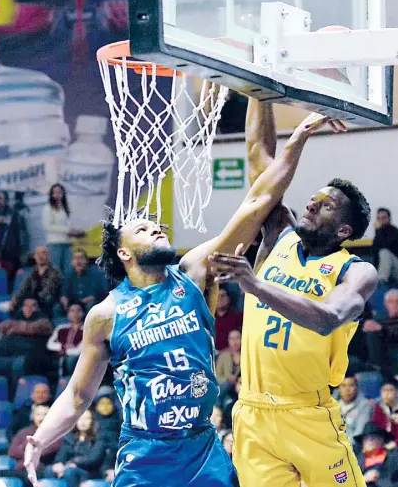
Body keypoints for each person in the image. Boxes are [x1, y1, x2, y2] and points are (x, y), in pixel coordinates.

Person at [23, 106, 340, 487]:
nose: (156, 229)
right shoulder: (107, 314)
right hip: (145, 455)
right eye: (142, 229)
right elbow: (77, 395)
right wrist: (40, 439)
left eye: (156, 225)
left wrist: (299, 134)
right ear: (124, 253)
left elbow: (259, 202)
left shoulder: (194, 273)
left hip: (202, 450)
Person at [208, 100, 377, 487]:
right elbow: (260, 160)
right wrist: (259, 90)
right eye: (314, 198)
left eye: (327, 205)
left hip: (308, 412)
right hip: (252, 413)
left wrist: (255, 285)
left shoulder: (355, 271)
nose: (312, 204)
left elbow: (328, 318)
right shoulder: (278, 238)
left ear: (344, 232)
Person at [44, 410, 105, 487]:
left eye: (87, 418)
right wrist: (60, 464)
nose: (83, 422)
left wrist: (73, 463)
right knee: (50, 469)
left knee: (69, 472)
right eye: (80, 418)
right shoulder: (70, 438)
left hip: (89, 471)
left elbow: (93, 459)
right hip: (69, 467)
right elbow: (61, 456)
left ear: (92, 421)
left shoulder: (99, 438)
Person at [363, 289, 398, 375]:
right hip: (381, 352)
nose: (395, 305)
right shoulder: (379, 319)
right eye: (391, 302)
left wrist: (382, 329)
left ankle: (379, 369)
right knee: (370, 332)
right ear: (386, 304)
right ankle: (374, 365)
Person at [355, 423, 398, 487]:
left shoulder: (396, 456)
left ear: (381, 439)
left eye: (373, 437)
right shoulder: (355, 460)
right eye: (366, 437)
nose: (370, 440)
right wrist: (363, 479)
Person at [42, 184, 83, 273]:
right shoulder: (48, 208)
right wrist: (68, 231)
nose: (57, 195)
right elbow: (47, 226)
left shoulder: (65, 208)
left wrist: (73, 234)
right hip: (55, 244)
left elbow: (68, 225)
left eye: (59, 192)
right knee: (56, 271)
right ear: (51, 194)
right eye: (55, 193)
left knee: (68, 270)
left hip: (67, 243)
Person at [11, 247, 62, 317]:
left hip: (46, 299)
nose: (40, 256)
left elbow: (48, 290)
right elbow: (24, 286)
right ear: (34, 257)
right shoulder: (33, 271)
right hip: (33, 298)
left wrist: (32, 299)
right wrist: (16, 298)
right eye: (37, 254)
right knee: (16, 303)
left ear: (48, 256)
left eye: (43, 253)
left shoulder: (55, 271)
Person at [9, 405, 61, 473]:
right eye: (38, 414)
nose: (41, 418)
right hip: (21, 469)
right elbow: (12, 451)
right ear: (33, 416)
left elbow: (44, 451)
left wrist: (25, 447)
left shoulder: (56, 433)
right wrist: (29, 448)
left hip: (42, 470)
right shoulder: (24, 432)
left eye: (45, 414)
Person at [58, 248, 106, 316]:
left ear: (86, 261)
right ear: (71, 262)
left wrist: (86, 300)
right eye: (75, 258)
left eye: (81, 258)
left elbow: (99, 293)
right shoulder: (68, 275)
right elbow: (64, 292)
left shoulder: (95, 274)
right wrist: (64, 298)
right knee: (57, 307)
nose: (78, 261)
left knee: (90, 305)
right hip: (73, 303)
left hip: (88, 303)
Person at [372, 208, 398, 286]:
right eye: (378, 218)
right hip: (390, 274)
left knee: (384, 252)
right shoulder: (378, 235)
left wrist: (378, 231)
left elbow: (386, 245)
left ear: (389, 218)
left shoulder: (395, 232)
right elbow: (375, 256)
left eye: (383, 218)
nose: (381, 220)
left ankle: (381, 279)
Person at [371, 378, 398, 451]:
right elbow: (376, 427)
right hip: (382, 442)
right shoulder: (379, 406)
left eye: (390, 390)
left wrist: (395, 444)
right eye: (384, 391)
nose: (386, 394)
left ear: (397, 392)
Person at [46, 303, 84, 377]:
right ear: (68, 314)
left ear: (83, 313)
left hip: (75, 359)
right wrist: (64, 346)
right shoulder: (61, 328)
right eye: (72, 311)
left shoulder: (87, 330)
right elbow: (50, 345)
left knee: (71, 359)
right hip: (58, 357)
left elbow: (78, 350)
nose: (75, 314)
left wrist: (63, 349)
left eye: (78, 311)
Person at [338, 375, 373, 446]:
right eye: (343, 386)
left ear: (357, 388)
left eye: (351, 385)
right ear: (338, 388)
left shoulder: (365, 406)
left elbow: (359, 434)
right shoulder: (332, 405)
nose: (347, 389)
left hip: (352, 448)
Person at [214, 287, 243, 351]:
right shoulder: (209, 319)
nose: (219, 298)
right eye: (216, 296)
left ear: (228, 299)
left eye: (222, 296)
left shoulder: (239, 317)